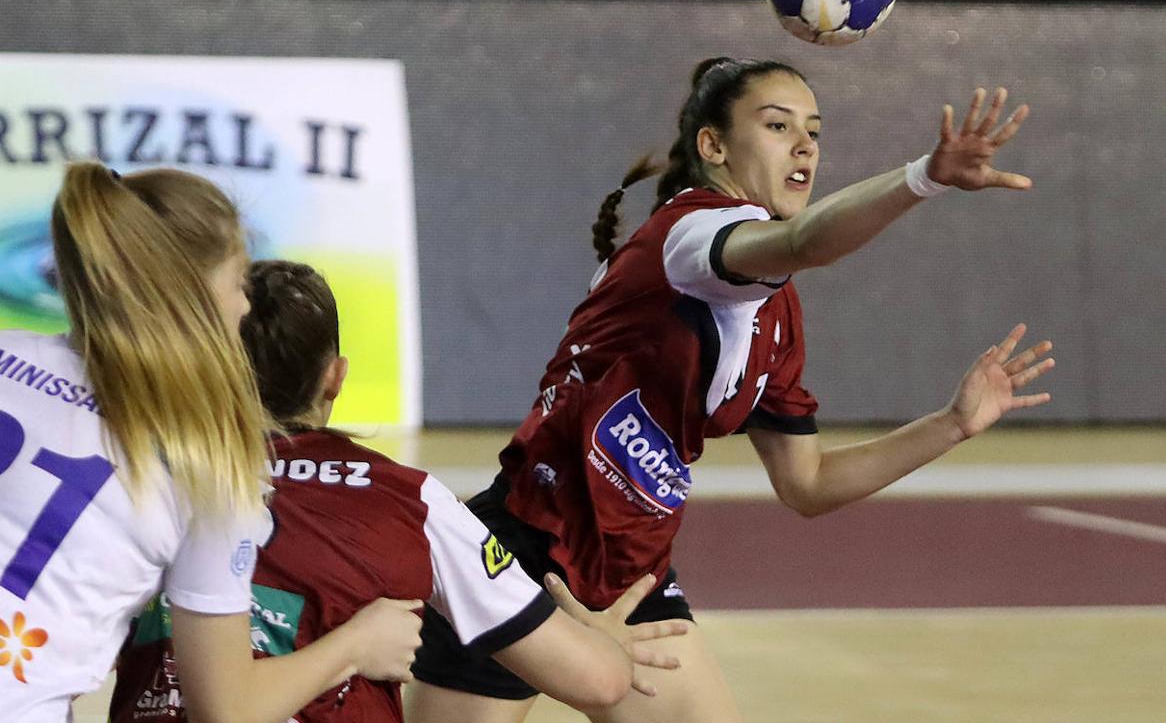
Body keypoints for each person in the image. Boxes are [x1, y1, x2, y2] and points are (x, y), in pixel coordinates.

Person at [406, 57, 1056, 723]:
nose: (805, 145)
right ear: (712, 147)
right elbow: (806, 240)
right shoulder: (692, 236)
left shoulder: (776, 316)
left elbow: (807, 485)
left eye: (814, 131)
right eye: (777, 126)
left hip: (632, 578)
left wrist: (951, 423)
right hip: (518, 559)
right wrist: (924, 178)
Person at [109, 259, 689, 722]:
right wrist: (600, 641)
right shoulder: (411, 500)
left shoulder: (141, 482)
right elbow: (597, 681)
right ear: (336, 376)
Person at [0, 164, 420, 723]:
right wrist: (356, 644)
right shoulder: (209, 466)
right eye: (239, 281)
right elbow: (226, 710)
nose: (246, 305)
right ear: (192, 299)